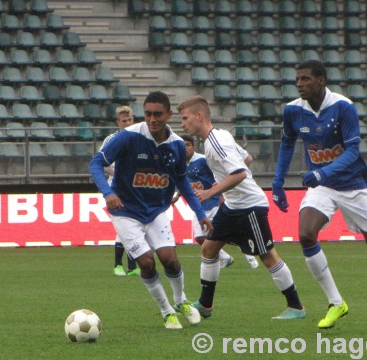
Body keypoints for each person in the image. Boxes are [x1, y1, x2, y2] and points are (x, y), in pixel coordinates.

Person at [271, 59, 367, 332]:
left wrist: (321, 173)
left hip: (354, 186)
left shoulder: (343, 107)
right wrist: (277, 182)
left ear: (321, 80)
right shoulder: (293, 111)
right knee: (306, 234)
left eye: (305, 79)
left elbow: (353, 152)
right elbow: (286, 145)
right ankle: (335, 303)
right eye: (297, 79)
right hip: (323, 187)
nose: (299, 84)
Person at [89, 91, 213, 329]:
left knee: (170, 260)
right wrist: (108, 192)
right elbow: (96, 163)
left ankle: (181, 300)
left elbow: (183, 182)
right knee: (146, 263)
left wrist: (200, 214)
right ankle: (167, 311)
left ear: (168, 115)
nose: (152, 119)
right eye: (148, 114)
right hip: (125, 211)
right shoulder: (128, 137)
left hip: (156, 210)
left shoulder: (176, 145)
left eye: (158, 114)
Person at [178, 95, 306, 320]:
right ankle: (206, 305)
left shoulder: (216, 141)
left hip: (249, 206)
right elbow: (247, 158)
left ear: (200, 116)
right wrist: (226, 191)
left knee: (267, 256)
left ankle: (296, 307)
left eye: (185, 118)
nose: (183, 123)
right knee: (209, 248)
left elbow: (239, 172)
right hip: (232, 206)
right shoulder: (219, 136)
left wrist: (211, 191)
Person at [173, 135, 259, 269]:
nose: (185, 148)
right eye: (182, 146)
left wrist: (222, 193)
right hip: (198, 206)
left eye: (187, 145)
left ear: (193, 147)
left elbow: (220, 174)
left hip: (213, 202)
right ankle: (226, 258)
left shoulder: (202, 160)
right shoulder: (181, 164)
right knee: (200, 238)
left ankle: (248, 252)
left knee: (225, 235)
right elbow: (186, 183)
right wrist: (178, 195)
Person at [100, 105, 139, 277]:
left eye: (130, 120)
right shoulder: (111, 139)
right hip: (116, 188)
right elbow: (102, 164)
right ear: (118, 122)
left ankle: (131, 266)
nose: (128, 123)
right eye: (124, 121)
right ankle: (119, 265)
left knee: (133, 226)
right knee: (125, 226)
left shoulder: (140, 138)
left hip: (136, 188)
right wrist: (121, 175)